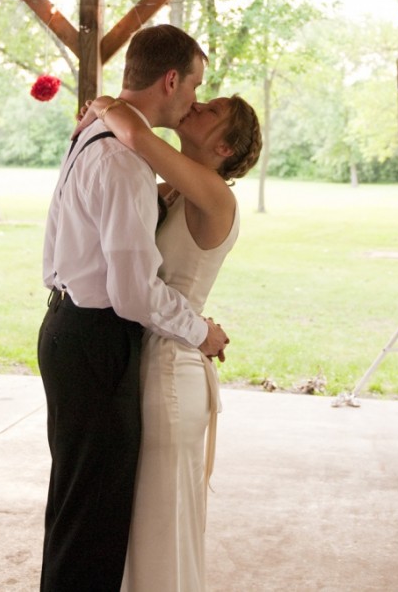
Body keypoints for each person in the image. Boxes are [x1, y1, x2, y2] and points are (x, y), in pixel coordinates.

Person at [38, 25, 230, 592]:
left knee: (77, 510)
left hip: (71, 328)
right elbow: (134, 292)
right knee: (92, 524)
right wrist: (200, 332)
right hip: (96, 341)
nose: (195, 96)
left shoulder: (100, 129)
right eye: (195, 84)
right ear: (171, 79)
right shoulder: (123, 161)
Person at [74, 90, 262, 592]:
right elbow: (120, 174)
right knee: (147, 520)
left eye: (212, 111)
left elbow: (134, 134)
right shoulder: (174, 190)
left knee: (162, 521)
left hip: (170, 374)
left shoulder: (215, 195)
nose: (197, 106)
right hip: (153, 355)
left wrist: (104, 104)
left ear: (224, 148)